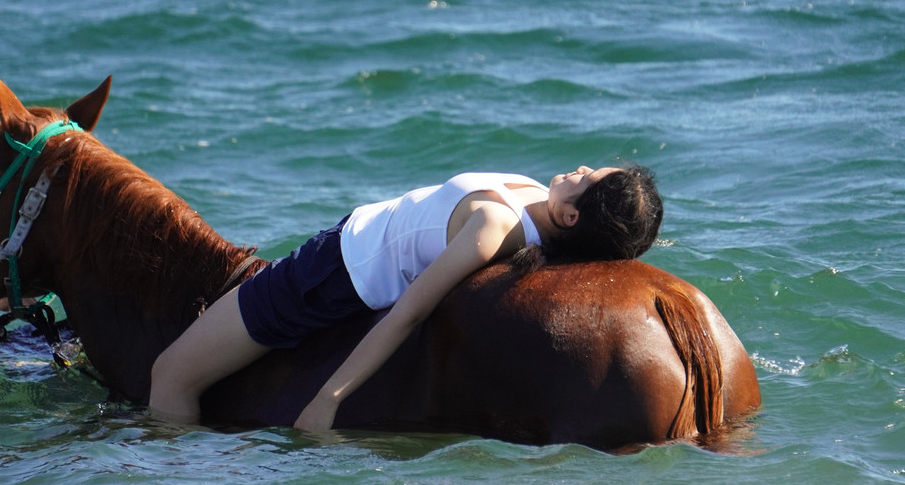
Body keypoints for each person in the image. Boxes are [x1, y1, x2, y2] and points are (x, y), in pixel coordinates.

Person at [149, 165, 662, 431]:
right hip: (342, 250)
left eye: (585, 178)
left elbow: (410, 309)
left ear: (572, 219)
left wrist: (329, 398)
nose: (577, 168)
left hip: (330, 274)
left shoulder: (495, 226)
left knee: (170, 374)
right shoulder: (534, 210)